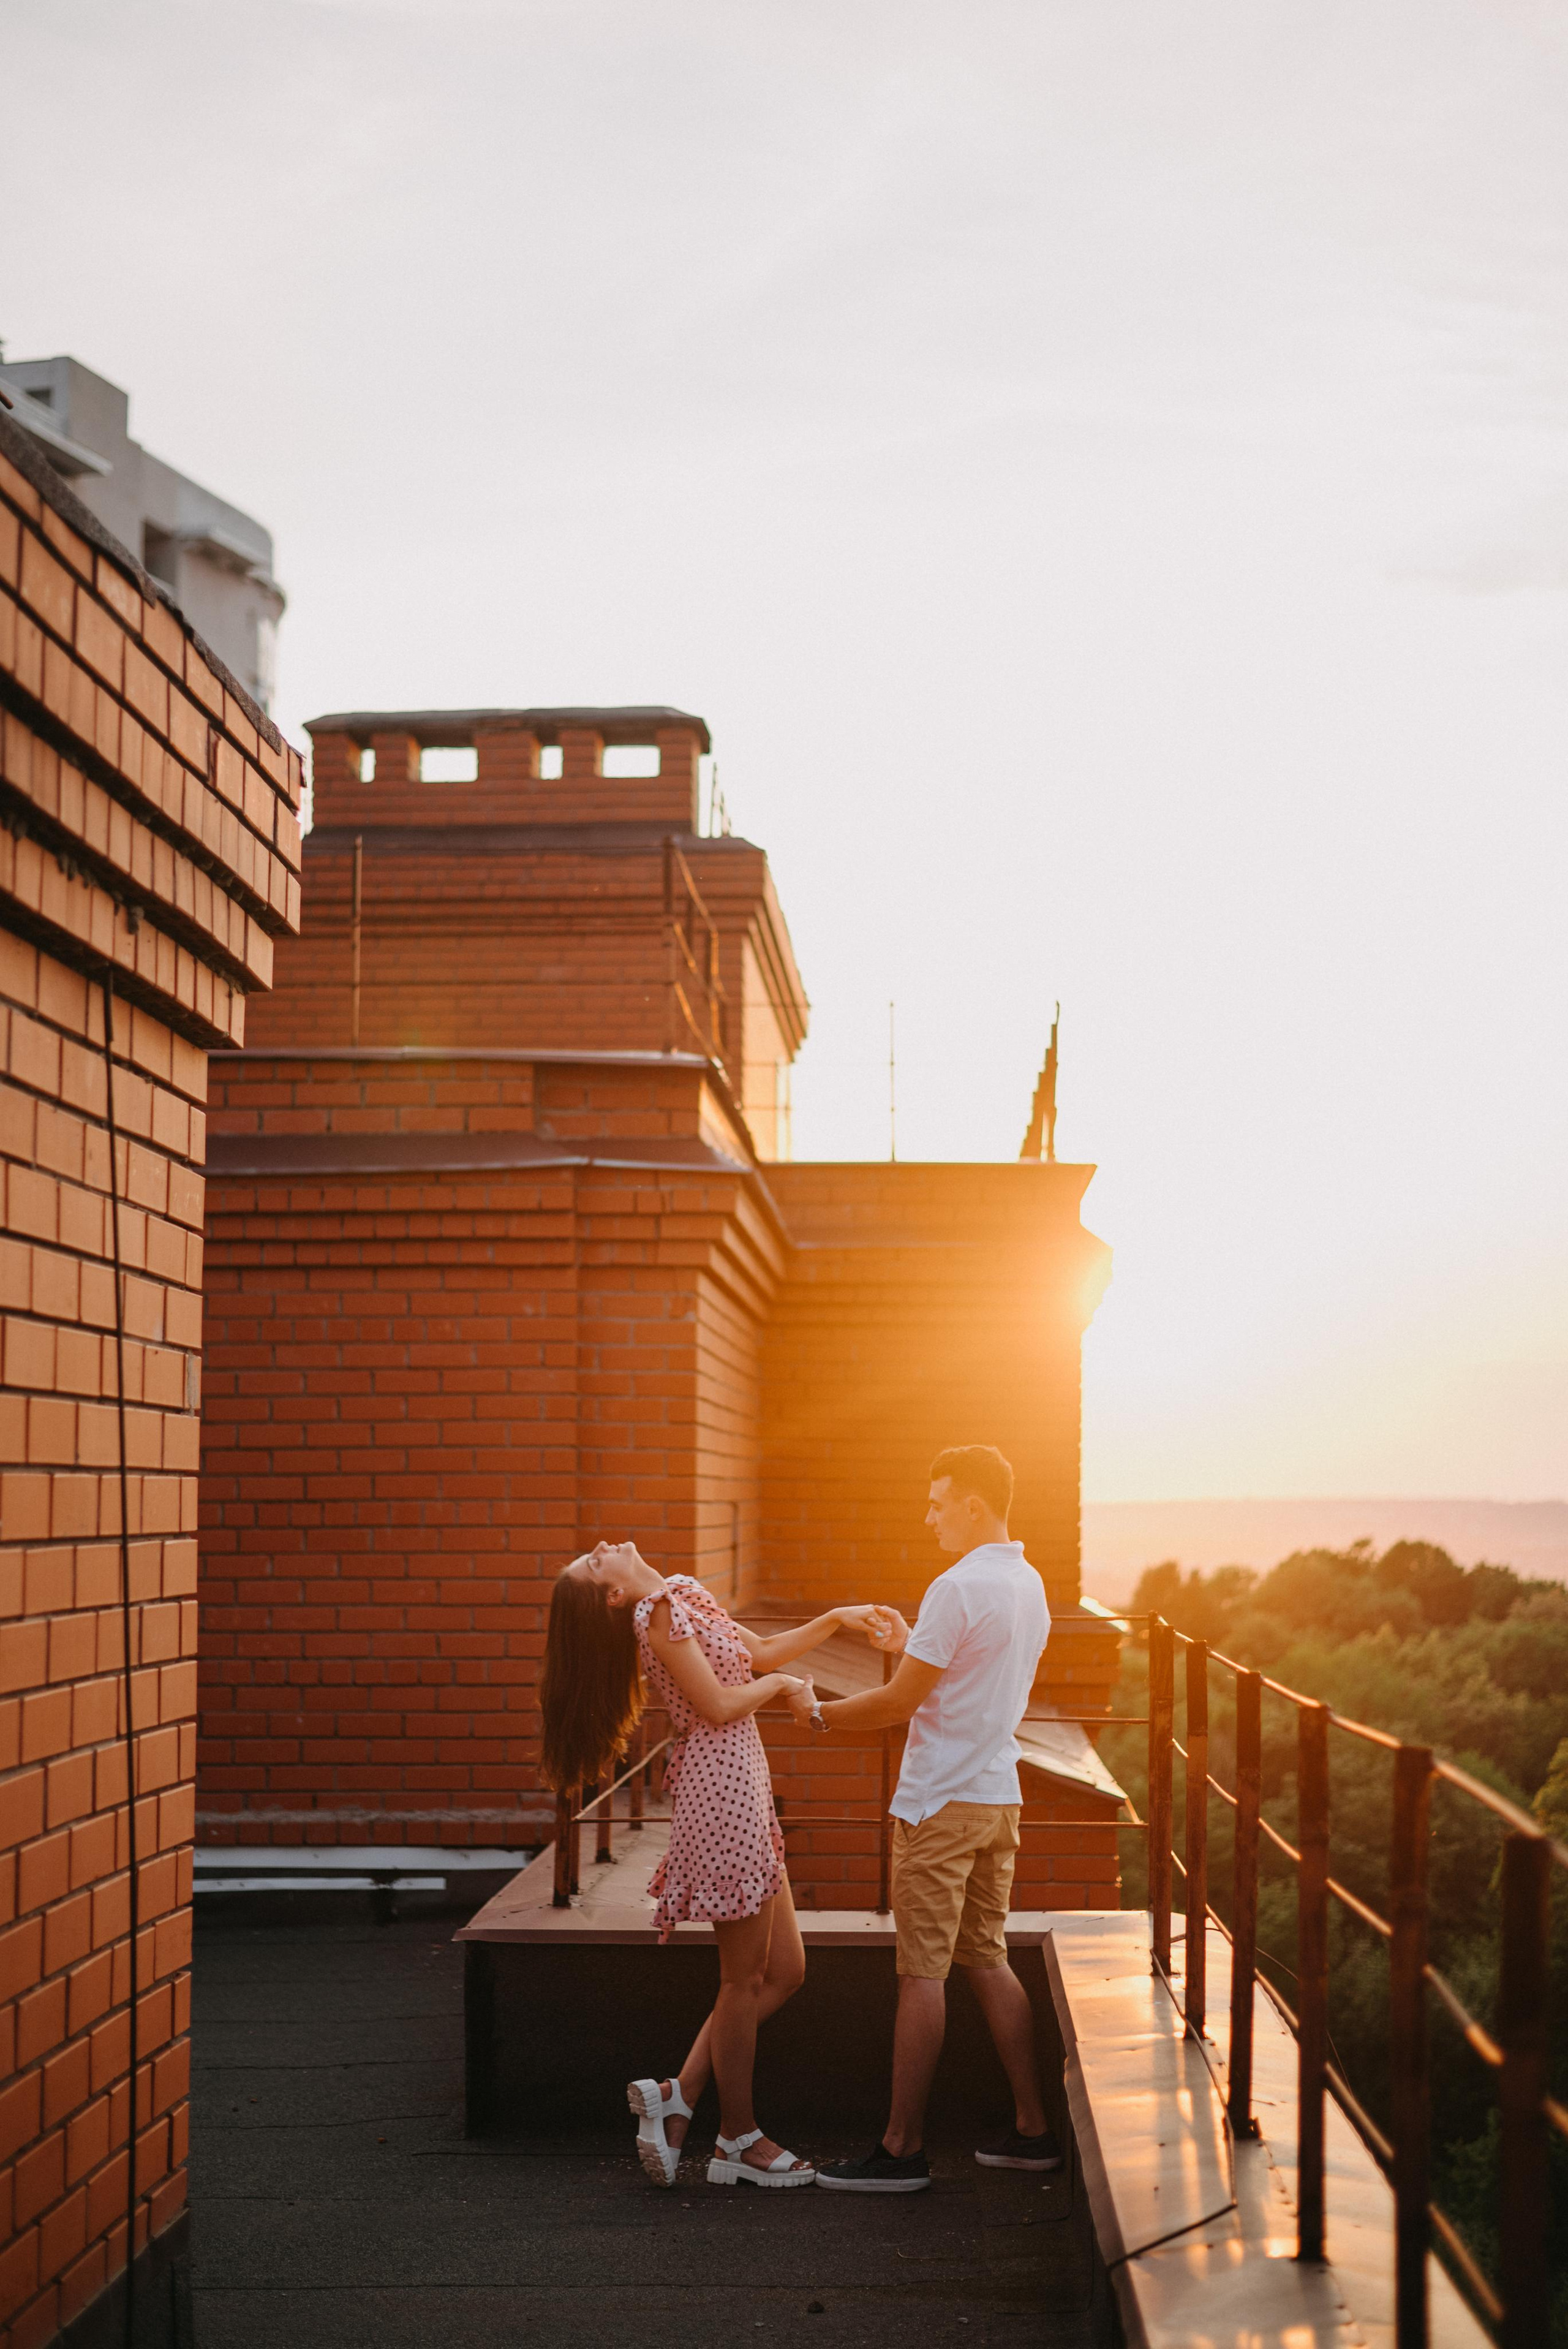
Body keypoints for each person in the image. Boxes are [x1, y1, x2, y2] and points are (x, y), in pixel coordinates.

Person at [539, 1541, 892, 2190]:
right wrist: (785, 1688)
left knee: (784, 1970)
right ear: (614, 1596)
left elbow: (753, 1656)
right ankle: (738, 2137)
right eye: (593, 1566)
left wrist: (835, 1618)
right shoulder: (656, 1616)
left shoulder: (678, 1593)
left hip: (743, 1784)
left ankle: (679, 2093)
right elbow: (720, 1706)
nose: (600, 1548)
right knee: (743, 1978)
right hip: (719, 1790)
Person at [786, 1445, 1063, 2192]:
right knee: (987, 1956)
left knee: (921, 1975)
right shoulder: (1027, 1582)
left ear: (974, 1504)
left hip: (939, 1804)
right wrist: (910, 1644)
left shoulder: (956, 1585)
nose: (929, 1514)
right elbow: (966, 1674)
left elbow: (895, 1705)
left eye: (939, 1501)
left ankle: (901, 2150)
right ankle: (1034, 2131)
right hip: (996, 1795)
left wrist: (815, 1715)